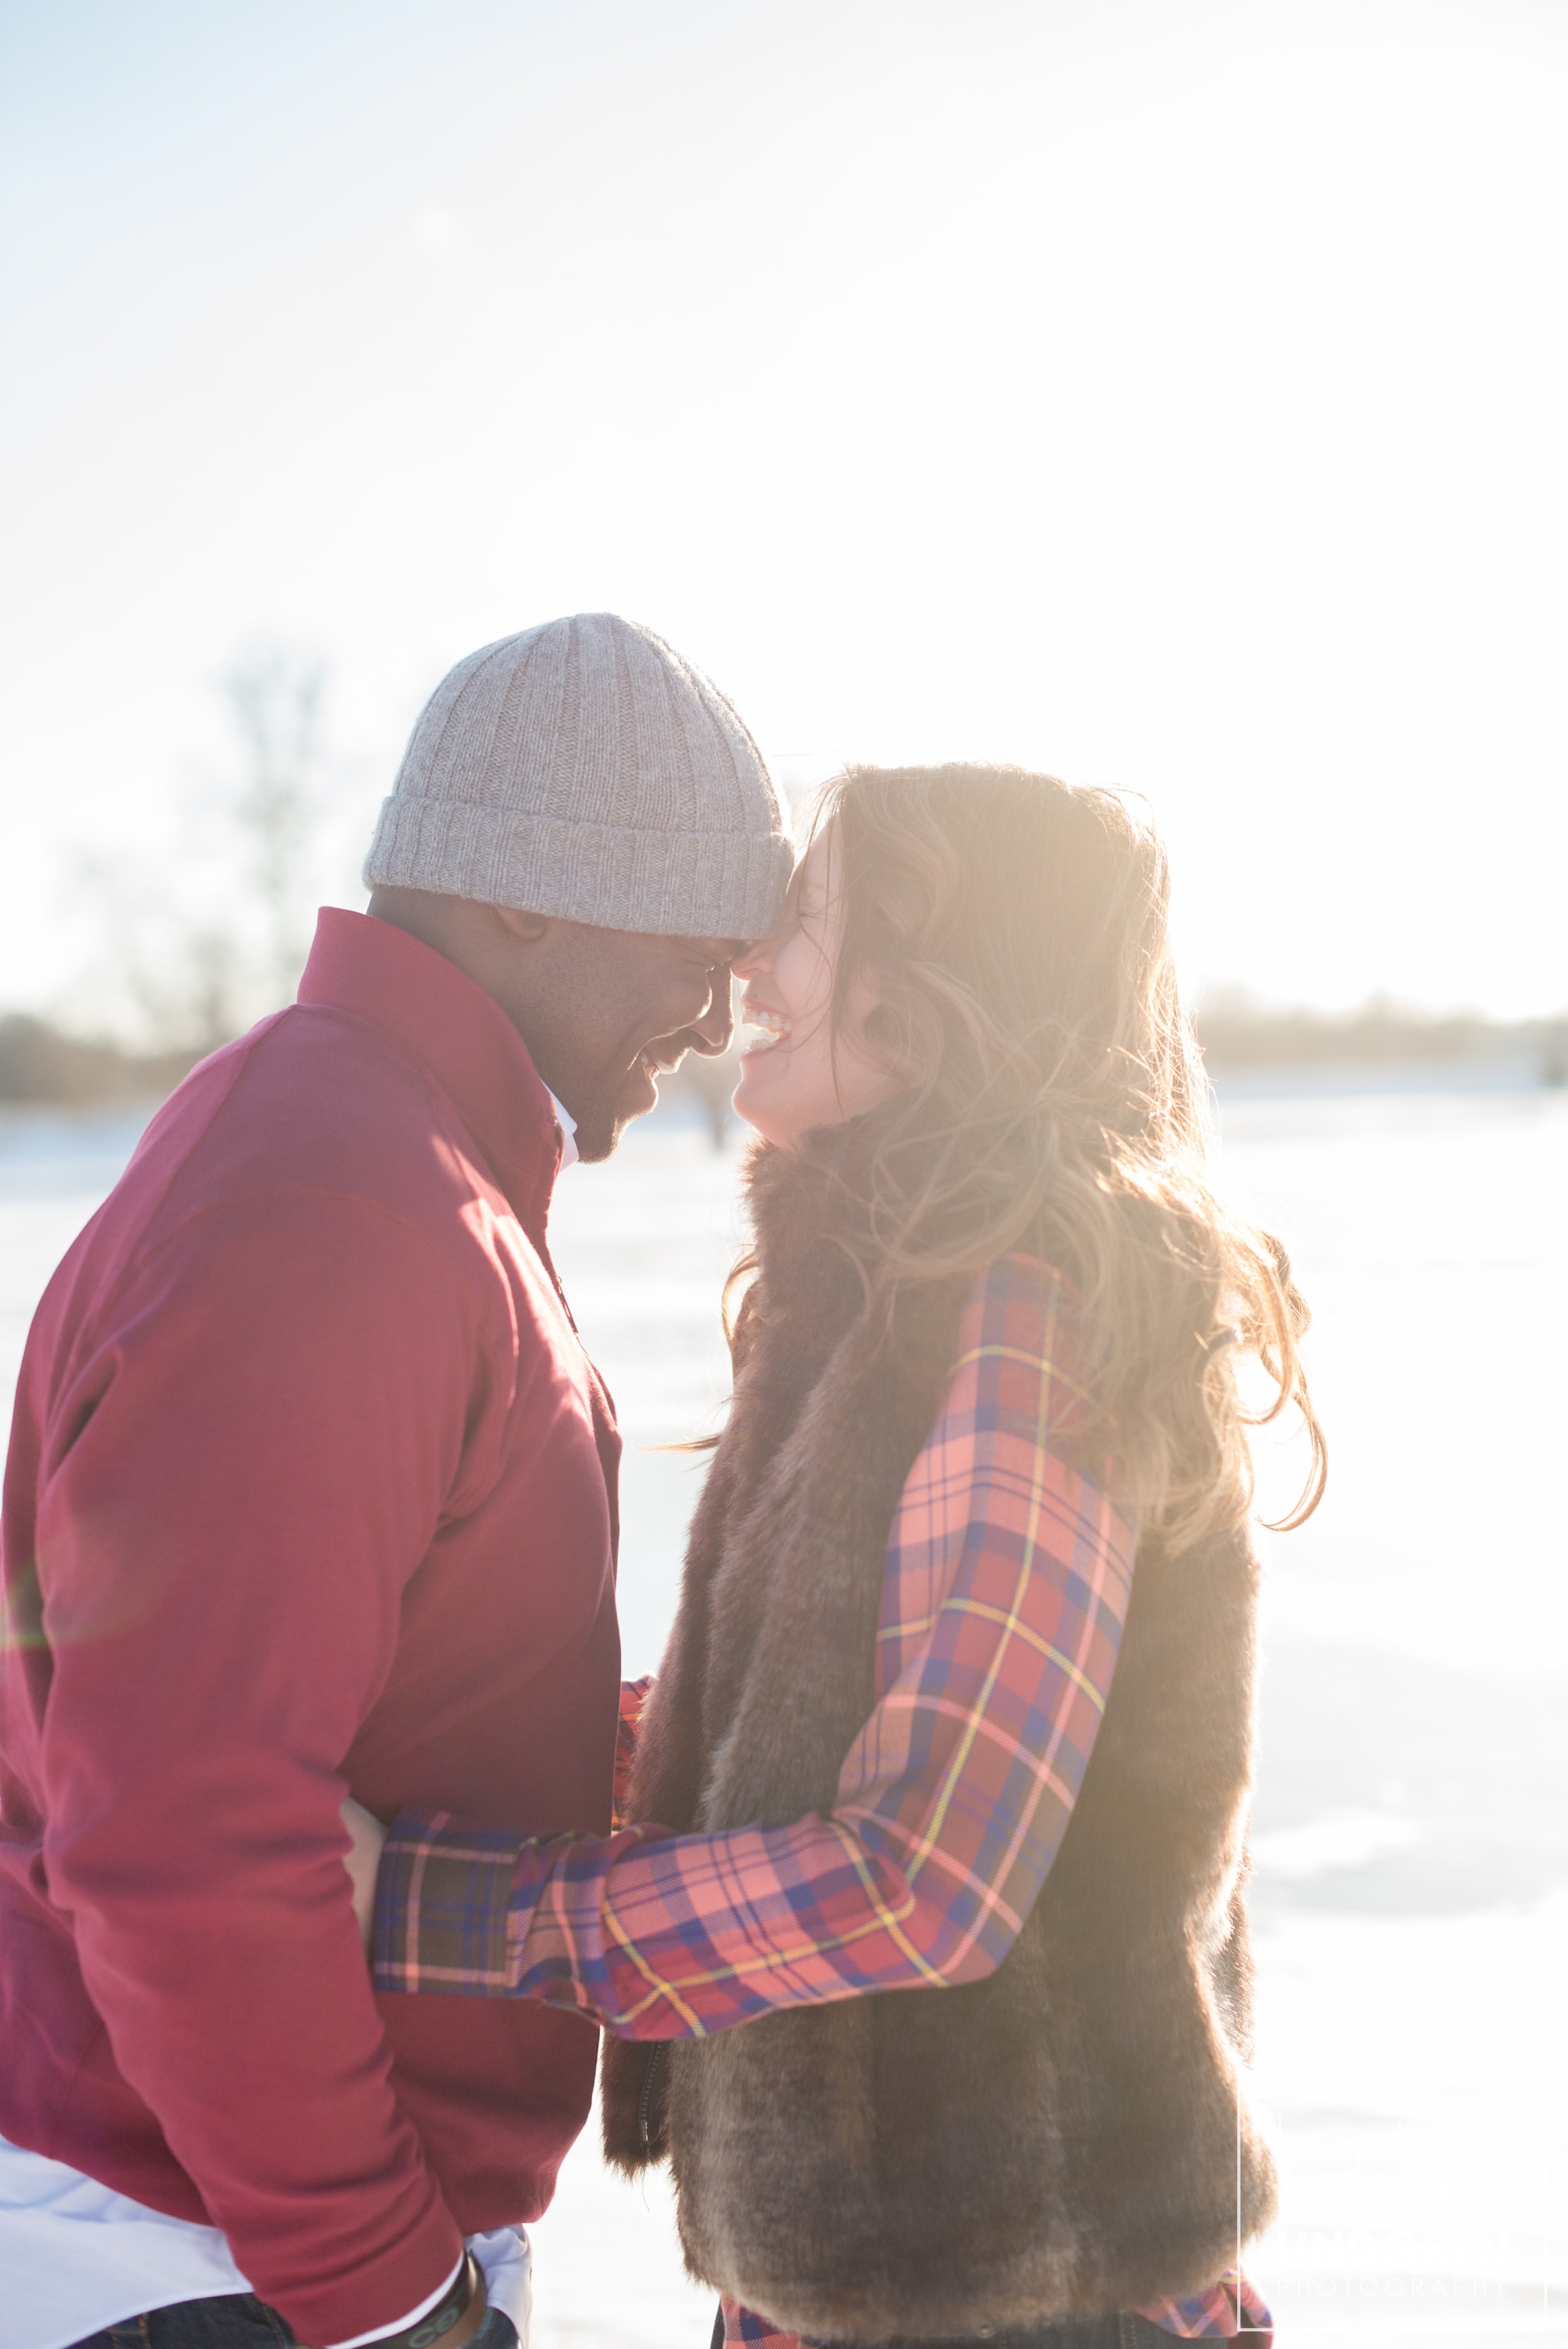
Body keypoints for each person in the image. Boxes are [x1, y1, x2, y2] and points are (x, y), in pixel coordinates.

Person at [351, 763, 1325, 2348]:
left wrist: (451, 1905)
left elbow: (925, 1876)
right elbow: (805, 1724)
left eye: (804, 917)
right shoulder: (887, 1295)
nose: (751, 963)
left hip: (1022, 2302)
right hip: (885, 2289)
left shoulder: (1034, 1324)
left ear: (936, 996)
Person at [0, 614, 793, 2349]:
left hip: (258, 2250)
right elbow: (176, 1818)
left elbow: (386, 1689)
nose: (725, 1012)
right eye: (701, 936)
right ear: (524, 893)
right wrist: (388, 2296)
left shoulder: (387, 1154)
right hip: (218, 2268)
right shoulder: (342, 1206)